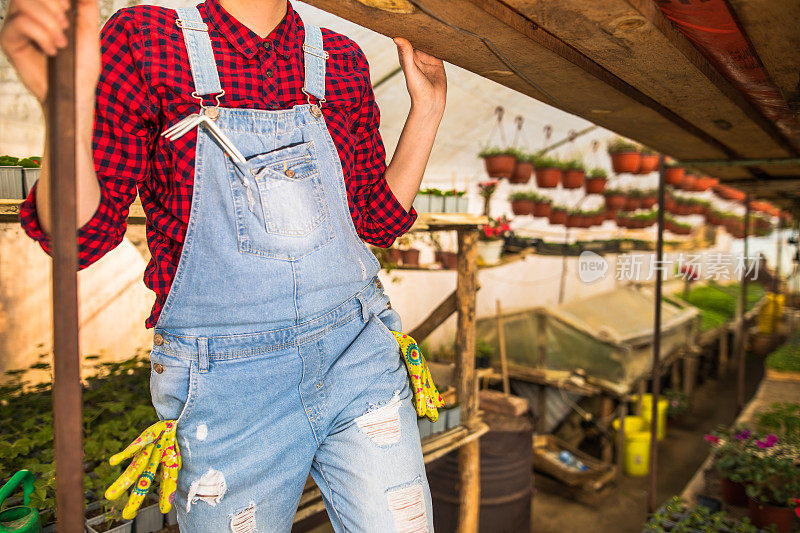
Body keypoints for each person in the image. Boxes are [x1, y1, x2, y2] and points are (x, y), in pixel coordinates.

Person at [1, 0, 447, 530]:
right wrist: (66, 109)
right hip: (226, 382)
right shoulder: (145, 41)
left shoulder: (340, 59)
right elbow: (80, 238)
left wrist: (429, 108)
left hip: (356, 351)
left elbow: (376, 221)